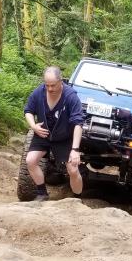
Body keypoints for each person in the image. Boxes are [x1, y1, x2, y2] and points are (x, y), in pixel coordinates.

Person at [23, 66, 85, 201]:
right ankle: (42, 193)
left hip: (64, 137)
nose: (50, 89)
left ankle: (77, 199)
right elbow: (28, 110)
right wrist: (33, 126)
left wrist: (75, 150)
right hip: (43, 133)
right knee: (30, 160)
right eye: (47, 85)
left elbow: (78, 123)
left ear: (60, 81)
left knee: (73, 169)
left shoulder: (70, 96)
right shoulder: (39, 92)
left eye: (53, 85)